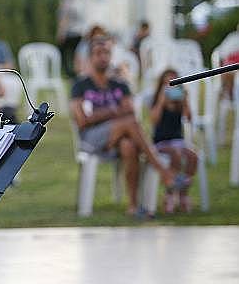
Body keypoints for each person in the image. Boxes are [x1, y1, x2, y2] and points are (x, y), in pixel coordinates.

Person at [70, 36, 174, 215]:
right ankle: (162, 169)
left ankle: (133, 206)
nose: (103, 57)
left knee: (129, 146)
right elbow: (82, 120)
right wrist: (114, 111)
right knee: (129, 124)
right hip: (91, 140)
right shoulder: (80, 85)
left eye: (107, 53)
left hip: (118, 138)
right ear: (90, 57)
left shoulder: (120, 84)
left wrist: (99, 114)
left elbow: (131, 111)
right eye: (98, 53)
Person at [150, 69, 197, 213]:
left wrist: (185, 101)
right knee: (175, 155)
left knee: (193, 156)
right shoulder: (156, 100)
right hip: (161, 142)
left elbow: (189, 119)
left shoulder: (179, 102)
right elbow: (154, 120)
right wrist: (161, 101)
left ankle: (183, 192)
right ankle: (170, 193)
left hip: (178, 141)